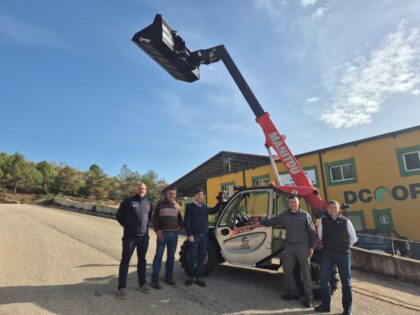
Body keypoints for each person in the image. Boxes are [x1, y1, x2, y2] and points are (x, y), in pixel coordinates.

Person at [259, 194, 317, 308]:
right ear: (289, 203)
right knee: (287, 270)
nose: (293, 204)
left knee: (305, 272)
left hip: (302, 246)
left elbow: (312, 232)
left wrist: (311, 247)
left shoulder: (305, 215)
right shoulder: (284, 215)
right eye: (291, 202)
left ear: (299, 202)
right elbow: (273, 221)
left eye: (295, 202)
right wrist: (261, 221)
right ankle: (293, 293)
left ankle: (308, 297)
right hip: (289, 246)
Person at [315, 200, 357, 315]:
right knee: (324, 281)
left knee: (346, 283)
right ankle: (325, 305)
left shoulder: (345, 221)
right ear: (327, 209)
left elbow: (353, 238)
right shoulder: (323, 221)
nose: (333, 209)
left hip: (343, 255)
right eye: (331, 207)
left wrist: (345, 246)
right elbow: (320, 235)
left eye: (335, 207)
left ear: (338, 209)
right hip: (327, 254)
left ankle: (347, 309)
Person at [116, 182, 153, 299]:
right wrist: (128, 226)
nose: (142, 190)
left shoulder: (149, 203)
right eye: (140, 188)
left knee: (142, 260)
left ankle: (142, 283)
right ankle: (122, 287)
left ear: (146, 190)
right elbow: (119, 217)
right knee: (125, 261)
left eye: (144, 188)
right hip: (130, 237)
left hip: (144, 237)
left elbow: (150, 218)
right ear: (136, 189)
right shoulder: (128, 202)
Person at [183, 188, 222, 287]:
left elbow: (213, 211)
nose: (200, 196)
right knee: (192, 256)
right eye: (199, 194)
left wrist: (220, 202)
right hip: (194, 236)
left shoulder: (205, 206)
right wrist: (190, 235)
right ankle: (190, 276)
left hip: (204, 235)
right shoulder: (190, 207)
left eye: (202, 195)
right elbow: (186, 222)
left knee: (201, 256)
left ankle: (199, 277)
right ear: (195, 196)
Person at [150, 186, 183, 289]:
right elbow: (154, 218)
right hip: (162, 234)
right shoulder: (160, 204)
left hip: (174, 235)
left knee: (171, 257)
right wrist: (157, 230)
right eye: (170, 193)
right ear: (167, 194)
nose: (171, 195)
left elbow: (180, 219)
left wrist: (179, 228)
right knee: (158, 256)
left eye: (173, 193)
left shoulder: (178, 205)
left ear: (175, 194)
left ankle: (168, 277)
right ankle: (154, 279)